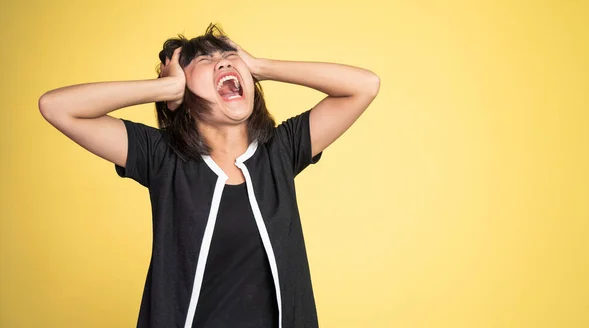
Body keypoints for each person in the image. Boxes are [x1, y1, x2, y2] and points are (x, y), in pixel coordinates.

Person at [39, 23, 380, 328]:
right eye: (203, 61)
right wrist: (166, 90)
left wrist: (260, 65)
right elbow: (57, 107)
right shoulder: (161, 157)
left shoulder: (282, 149)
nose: (225, 62)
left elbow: (364, 85)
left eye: (231, 56)